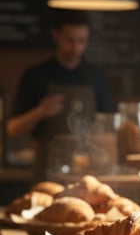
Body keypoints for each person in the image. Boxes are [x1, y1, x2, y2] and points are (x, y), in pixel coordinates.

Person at [6, 10, 116, 180]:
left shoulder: (97, 77)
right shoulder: (36, 76)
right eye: (70, 40)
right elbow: (11, 129)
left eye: (82, 41)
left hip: (88, 174)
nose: (76, 48)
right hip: (47, 172)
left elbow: (110, 128)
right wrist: (39, 112)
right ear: (56, 35)